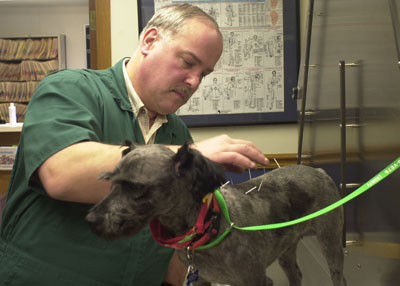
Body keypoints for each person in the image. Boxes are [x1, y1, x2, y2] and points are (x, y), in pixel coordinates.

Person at [0, 4, 268, 286]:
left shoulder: (177, 133)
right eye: (188, 62)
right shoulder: (71, 89)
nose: (194, 81)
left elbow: (175, 232)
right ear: (149, 41)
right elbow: (61, 174)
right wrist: (190, 157)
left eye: (204, 74)